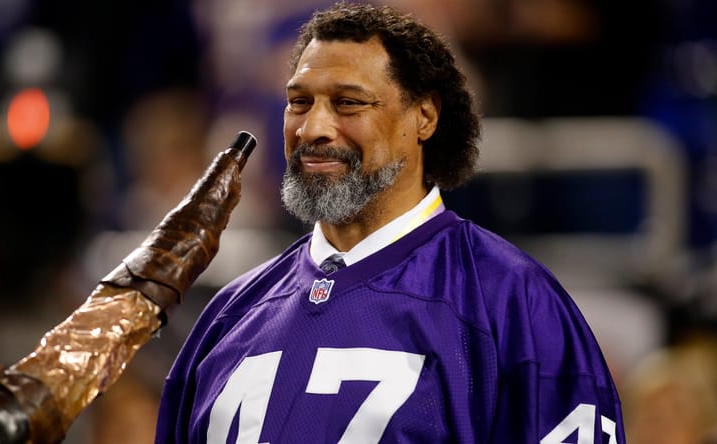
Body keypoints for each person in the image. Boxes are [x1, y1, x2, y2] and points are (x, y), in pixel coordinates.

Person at [154, 2, 625, 443]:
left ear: (424, 116)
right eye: (299, 102)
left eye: (348, 103)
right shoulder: (229, 315)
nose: (313, 128)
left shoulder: (511, 300)